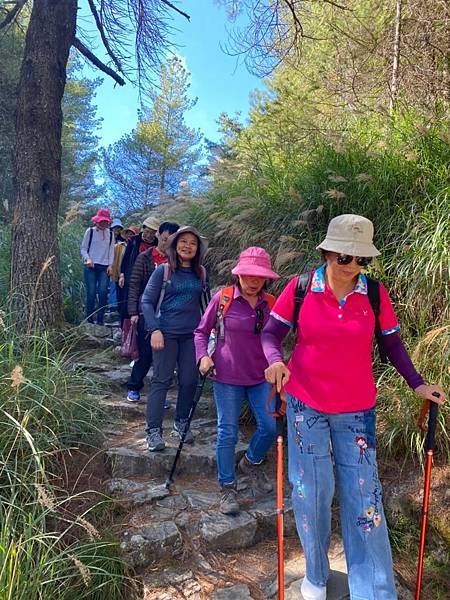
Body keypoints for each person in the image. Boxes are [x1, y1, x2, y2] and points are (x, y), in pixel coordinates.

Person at [261, 214, 447, 600]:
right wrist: (275, 361)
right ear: (327, 252)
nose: (353, 267)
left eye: (362, 260)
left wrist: (418, 384)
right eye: (345, 257)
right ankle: (316, 574)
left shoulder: (374, 294)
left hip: (357, 410)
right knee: (310, 490)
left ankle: (375, 590)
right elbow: (271, 334)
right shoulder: (299, 289)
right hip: (305, 405)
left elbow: (392, 345)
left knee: (364, 495)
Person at [195, 247, 279, 515]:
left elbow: (279, 337)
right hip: (227, 376)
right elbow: (201, 332)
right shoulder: (224, 298)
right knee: (227, 431)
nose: (254, 281)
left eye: (259, 276)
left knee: (268, 427)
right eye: (248, 275)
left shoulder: (271, 303)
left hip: (261, 376)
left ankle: (250, 461)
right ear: (239, 274)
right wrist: (202, 358)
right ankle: (227, 487)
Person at [141, 226, 209, 452]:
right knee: (161, 380)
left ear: (198, 248)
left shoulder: (201, 273)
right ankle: (153, 431)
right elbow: (147, 301)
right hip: (166, 333)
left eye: (193, 242)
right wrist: (154, 329)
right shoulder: (164, 271)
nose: (187, 246)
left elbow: (206, 307)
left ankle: (181, 423)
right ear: (174, 244)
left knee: (190, 380)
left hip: (191, 335)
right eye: (183, 241)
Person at [126, 221, 180, 403]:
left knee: (164, 358)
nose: (167, 243)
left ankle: (158, 394)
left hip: (169, 315)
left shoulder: (177, 261)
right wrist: (133, 311)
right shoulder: (145, 257)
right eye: (165, 238)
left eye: (171, 240)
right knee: (145, 353)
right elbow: (134, 284)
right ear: (158, 235)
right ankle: (134, 386)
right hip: (146, 313)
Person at [118, 217, 159, 324]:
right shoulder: (134, 240)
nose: (149, 235)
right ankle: (124, 327)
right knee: (128, 299)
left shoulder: (156, 243)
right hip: (131, 274)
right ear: (143, 229)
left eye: (152, 233)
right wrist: (122, 275)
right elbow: (125, 258)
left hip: (148, 276)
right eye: (147, 232)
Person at [80, 208, 115, 325]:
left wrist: (111, 265)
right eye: (102, 221)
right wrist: (88, 259)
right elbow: (83, 248)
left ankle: (100, 319)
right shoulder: (90, 231)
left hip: (104, 267)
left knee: (103, 292)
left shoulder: (110, 234)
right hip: (91, 265)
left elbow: (111, 251)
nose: (103, 224)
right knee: (91, 292)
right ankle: (89, 318)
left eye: (106, 222)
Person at [108, 218, 125, 311]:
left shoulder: (121, 241)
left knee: (113, 284)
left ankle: (113, 305)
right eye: (115, 227)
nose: (117, 230)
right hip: (104, 263)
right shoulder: (106, 237)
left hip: (115, 265)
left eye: (118, 228)